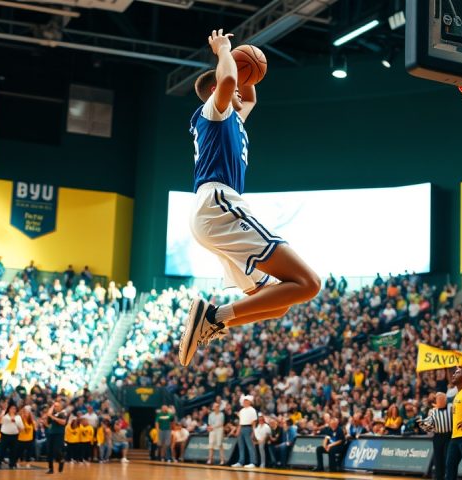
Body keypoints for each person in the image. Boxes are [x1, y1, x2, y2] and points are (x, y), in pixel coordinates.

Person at [178, 28, 320, 367]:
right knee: (309, 283)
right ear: (215, 91)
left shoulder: (233, 118)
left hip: (213, 212)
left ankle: (214, 321)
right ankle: (213, 316)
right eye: (233, 86)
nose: (239, 89)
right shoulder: (214, 111)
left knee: (279, 303)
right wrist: (224, 50)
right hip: (219, 204)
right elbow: (228, 81)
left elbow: (249, 96)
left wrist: (247, 62)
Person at [419, 392, 453, 480]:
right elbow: (427, 427)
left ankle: (449, 477)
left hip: (449, 436)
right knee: (438, 458)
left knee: (448, 457)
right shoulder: (432, 411)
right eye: (438, 399)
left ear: (445, 399)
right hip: (438, 436)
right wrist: (423, 424)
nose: (440, 400)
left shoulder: (451, 407)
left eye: (442, 399)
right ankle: (438, 477)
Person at [232, 395, 257, 468]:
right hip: (241, 428)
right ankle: (241, 462)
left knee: (250, 446)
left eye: (246, 401)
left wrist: (253, 432)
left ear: (249, 402)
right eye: (244, 401)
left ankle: (253, 462)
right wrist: (238, 430)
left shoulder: (252, 410)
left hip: (248, 428)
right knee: (241, 446)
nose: (244, 402)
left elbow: (254, 422)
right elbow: (240, 422)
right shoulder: (241, 411)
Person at [44, 399, 67, 474]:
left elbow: (63, 422)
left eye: (57, 406)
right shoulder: (53, 414)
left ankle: (61, 460)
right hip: (51, 434)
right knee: (49, 451)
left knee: (57, 450)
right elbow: (48, 419)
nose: (56, 407)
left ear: (61, 407)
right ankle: (51, 469)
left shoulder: (62, 413)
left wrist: (53, 417)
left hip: (59, 434)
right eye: (55, 406)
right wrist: (52, 406)